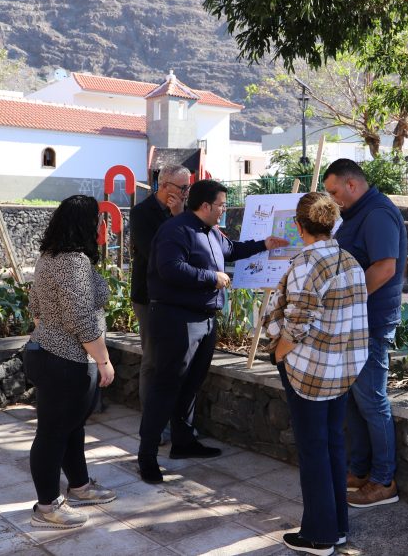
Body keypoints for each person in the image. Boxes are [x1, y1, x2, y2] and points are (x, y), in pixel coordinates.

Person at [138, 179, 288, 482]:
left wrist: (264, 245)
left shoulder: (211, 233)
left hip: (204, 319)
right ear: (205, 205)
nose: (223, 209)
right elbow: (169, 268)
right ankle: (147, 456)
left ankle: (183, 443)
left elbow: (231, 250)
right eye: (220, 204)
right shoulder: (176, 230)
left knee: (191, 384)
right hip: (175, 320)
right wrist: (211, 278)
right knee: (165, 386)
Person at [265, 192, 369, 556]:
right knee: (332, 446)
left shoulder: (306, 263)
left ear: (299, 226)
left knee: (313, 450)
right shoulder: (350, 261)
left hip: (307, 370)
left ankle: (319, 536)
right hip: (342, 369)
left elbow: (297, 323)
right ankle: (337, 528)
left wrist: (278, 354)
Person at [24, 195, 117, 529]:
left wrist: (49, 337)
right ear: (86, 224)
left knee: (69, 428)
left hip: (45, 352)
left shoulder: (48, 257)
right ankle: (47, 508)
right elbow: (81, 318)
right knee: (52, 434)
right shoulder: (73, 261)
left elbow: (35, 306)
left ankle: (79, 486)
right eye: (98, 219)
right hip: (65, 359)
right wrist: (103, 361)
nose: (102, 225)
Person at [322, 158, 407, 508]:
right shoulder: (358, 212)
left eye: (334, 191)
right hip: (354, 321)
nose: (331, 199)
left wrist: (346, 300)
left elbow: (385, 267)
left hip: (370, 321)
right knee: (355, 400)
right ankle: (359, 470)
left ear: (352, 184)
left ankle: (384, 481)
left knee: (372, 399)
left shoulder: (377, 214)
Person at [130, 164, 191, 427]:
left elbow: (194, 246)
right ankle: (152, 421)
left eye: (188, 188)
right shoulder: (142, 213)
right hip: (148, 297)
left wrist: (180, 214)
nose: (186, 193)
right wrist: (176, 218)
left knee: (179, 361)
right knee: (153, 360)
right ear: (164, 186)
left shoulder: (185, 212)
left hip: (180, 297)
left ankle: (177, 421)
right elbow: (157, 254)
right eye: (182, 188)